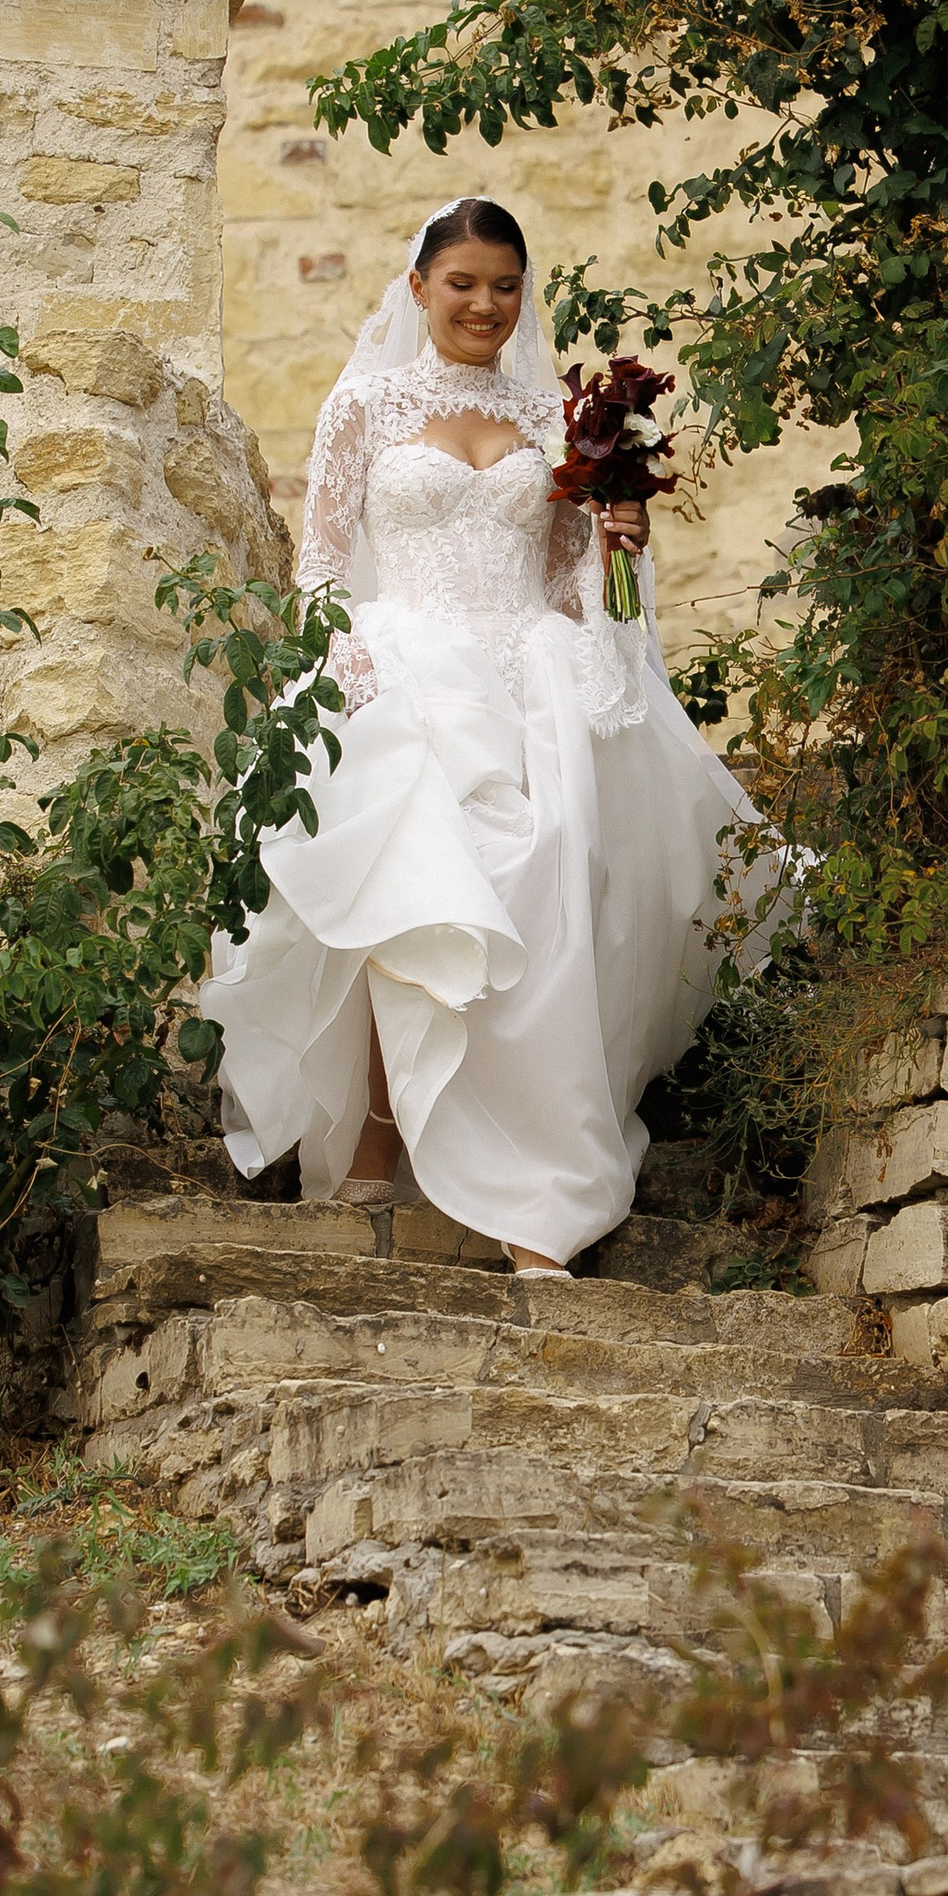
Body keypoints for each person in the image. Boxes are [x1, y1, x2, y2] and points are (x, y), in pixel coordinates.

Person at [201, 197, 785, 1274]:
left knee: (544, 891)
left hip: (529, 675)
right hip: (405, 666)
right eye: (462, 281)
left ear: (525, 294)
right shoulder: (364, 407)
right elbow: (322, 563)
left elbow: (568, 579)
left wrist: (621, 540)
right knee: (412, 883)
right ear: (418, 287)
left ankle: (536, 1179)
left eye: (505, 284)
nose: (484, 302)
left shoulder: (556, 420)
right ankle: (380, 1140)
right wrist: (352, 661)